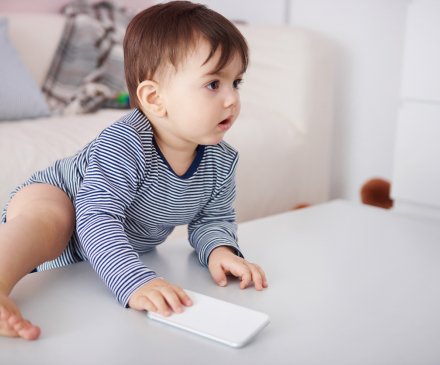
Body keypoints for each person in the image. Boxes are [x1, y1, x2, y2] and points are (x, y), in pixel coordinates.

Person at [0, 1, 268, 341]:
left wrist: (221, 251)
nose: (231, 99)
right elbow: (96, 215)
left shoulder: (220, 162)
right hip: (63, 195)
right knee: (52, 220)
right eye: (214, 84)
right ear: (154, 99)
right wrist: (133, 280)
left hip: (94, 255)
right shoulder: (127, 142)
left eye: (237, 82)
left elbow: (213, 219)